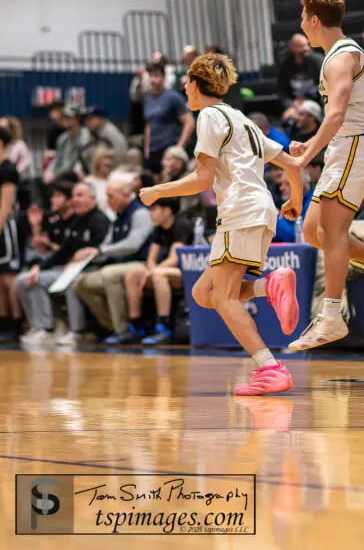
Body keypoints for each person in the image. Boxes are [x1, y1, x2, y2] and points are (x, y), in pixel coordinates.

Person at [139, 53, 304, 395]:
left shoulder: (209, 116)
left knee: (225, 297)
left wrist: (158, 191)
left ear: (195, 84)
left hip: (240, 210)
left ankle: (270, 368)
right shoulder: (241, 119)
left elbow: (202, 179)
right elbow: (292, 164)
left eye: (186, 83)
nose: (184, 88)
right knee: (204, 293)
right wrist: (295, 200)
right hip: (261, 209)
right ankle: (269, 286)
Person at [287, 0, 364, 351]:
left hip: (356, 144)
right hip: (345, 145)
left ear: (314, 19)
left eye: (303, 18)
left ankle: (332, 316)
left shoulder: (340, 57)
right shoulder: (338, 55)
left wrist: (307, 155)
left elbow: (336, 114)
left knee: (332, 231)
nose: (301, 24)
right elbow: (338, 118)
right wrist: (312, 143)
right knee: (312, 231)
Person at [17, 182, 110, 348]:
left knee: (71, 283)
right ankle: (44, 328)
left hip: (92, 269)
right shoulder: (76, 222)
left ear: (92, 198)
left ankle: (77, 331)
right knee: (27, 280)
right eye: (74, 196)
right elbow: (62, 253)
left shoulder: (101, 220)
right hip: (69, 269)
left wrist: (82, 260)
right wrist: (39, 267)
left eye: (80, 195)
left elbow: (104, 252)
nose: (76, 200)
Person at [74, 171, 156, 345]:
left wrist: (100, 250)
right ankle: (112, 325)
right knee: (81, 282)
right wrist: (90, 254)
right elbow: (106, 245)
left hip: (141, 264)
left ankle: (123, 329)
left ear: (125, 195)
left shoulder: (140, 213)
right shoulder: (118, 217)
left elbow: (133, 244)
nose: (108, 201)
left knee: (109, 274)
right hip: (120, 265)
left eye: (111, 196)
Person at [119, 197, 190, 345]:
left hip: (187, 272)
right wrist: (149, 271)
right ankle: (136, 326)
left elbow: (174, 259)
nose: (150, 213)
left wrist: (151, 273)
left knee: (158, 275)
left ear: (167, 211)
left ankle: (163, 327)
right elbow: (151, 259)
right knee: (132, 275)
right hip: (165, 271)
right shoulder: (158, 229)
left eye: (153, 209)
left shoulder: (181, 225)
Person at [144, 63, 194, 175]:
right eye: (150, 76)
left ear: (163, 77)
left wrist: (179, 147)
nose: (153, 80)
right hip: (153, 150)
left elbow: (189, 122)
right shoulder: (148, 98)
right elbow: (149, 124)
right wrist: (147, 148)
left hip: (169, 149)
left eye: (156, 76)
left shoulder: (173, 97)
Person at [0, 126, 22, 342]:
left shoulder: (8, 169)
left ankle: (16, 321)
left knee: (9, 276)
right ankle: (3, 319)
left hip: (5, 226)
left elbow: (6, 206)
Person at [47, 106, 91, 183]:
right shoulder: (62, 138)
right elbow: (57, 159)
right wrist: (49, 172)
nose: (65, 120)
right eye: (64, 117)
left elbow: (83, 161)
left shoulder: (86, 135)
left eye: (69, 117)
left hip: (79, 175)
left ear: (77, 118)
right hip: (61, 176)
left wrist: (56, 175)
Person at [277, 34, 323, 106]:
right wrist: (290, 104)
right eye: (301, 46)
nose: (306, 48)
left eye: (307, 45)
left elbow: (326, 86)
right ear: (292, 48)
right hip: (296, 103)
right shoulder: (285, 65)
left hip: (316, 102)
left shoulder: (317, 61)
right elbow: (282, 92)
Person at [84, 148, 116, 220]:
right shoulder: (89, 182)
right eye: (105, 158)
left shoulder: (116, 179)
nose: (108, 162)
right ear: (97, 162)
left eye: (110, 159)